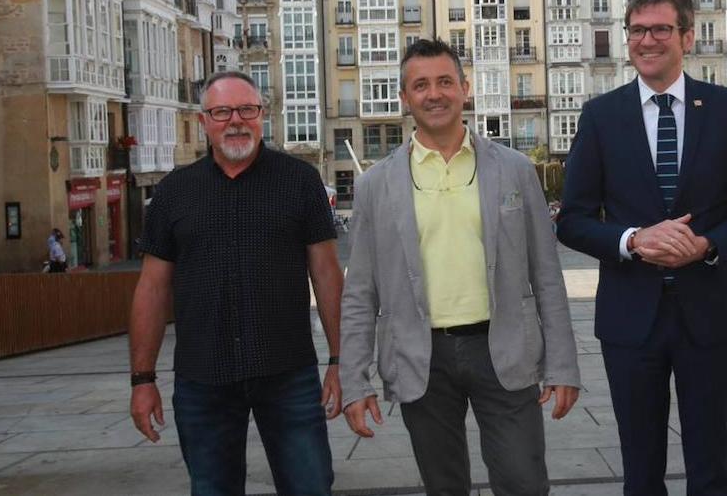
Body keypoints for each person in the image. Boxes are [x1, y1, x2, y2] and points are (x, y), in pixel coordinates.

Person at [557, 0, 727, 495]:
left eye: (660, 29)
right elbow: (572, 219)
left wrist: (706, 245)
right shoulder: (601, 117)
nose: (647, 40)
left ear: (687, 37)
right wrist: (633, 239)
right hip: (631, 320)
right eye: (636, 30)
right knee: (640, 467)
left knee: (709, 467)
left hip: (709, 315)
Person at [340, 39, 580, 496]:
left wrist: (563, 365)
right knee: (444, 486)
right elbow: (360, 294)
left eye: (445, 82)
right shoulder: (376, 185)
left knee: (525, 483)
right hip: (420, 358)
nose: (435, 94)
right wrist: (355, 381)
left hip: (503, 348)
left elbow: (547, 274)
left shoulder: (513, 170)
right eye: (421, 85)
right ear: (404, 98)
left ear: (465, 89)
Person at [129, 71, 343, 496]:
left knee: (310, 486)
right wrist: (142, 379)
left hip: (288, 371)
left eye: (247, 109)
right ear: (204, 120)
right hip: (203, 377)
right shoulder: (174, 192)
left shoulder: (300, 182)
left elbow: (327, 275)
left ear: (263, 115)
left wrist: (341, 361)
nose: (236, 121)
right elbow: (151, 289)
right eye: (222, 111)